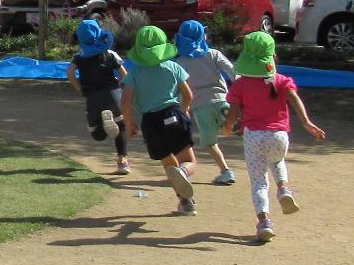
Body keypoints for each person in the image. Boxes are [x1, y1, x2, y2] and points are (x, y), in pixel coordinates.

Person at [221, 31, 326, 244]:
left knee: (259, 182)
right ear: (272, 56)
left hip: (253, 137)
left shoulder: (240, 84)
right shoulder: (281, 80)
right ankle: (284, 188)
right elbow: (294, 98)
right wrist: (306, 122)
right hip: (279, 136)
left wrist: (227, 127)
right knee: (277, 161)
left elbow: (233, 112)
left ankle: (264, 222)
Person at [122, 24, 200, 216]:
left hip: (150, 122)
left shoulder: (135, 73)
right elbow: (188, 94)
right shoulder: (173, 67)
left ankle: (185, 201)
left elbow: (125, 100)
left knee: (168, 164)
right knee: (188, 160)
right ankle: (184, 173)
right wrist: (184, 110)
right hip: (173, 114)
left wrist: (129, 122)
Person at [174, 20, 237, 186]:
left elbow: (179, 87)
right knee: (225, 128)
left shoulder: (180, 62)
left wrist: (182, 107)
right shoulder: (213, 54)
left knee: (210, 142)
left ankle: (226, 171)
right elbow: (232, 72)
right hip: (222, 97)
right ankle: (227, 120)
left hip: (199, 104)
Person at [65, 17, 131, 175]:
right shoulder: (109, 53)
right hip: (113, 94)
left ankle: (102, 125)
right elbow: (124, 74)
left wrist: (80, 88)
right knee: (120, 126)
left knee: (97, 134)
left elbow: (70, 72)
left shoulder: (79, 56)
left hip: (92, 96)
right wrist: (118, 83)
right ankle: (123, 162)